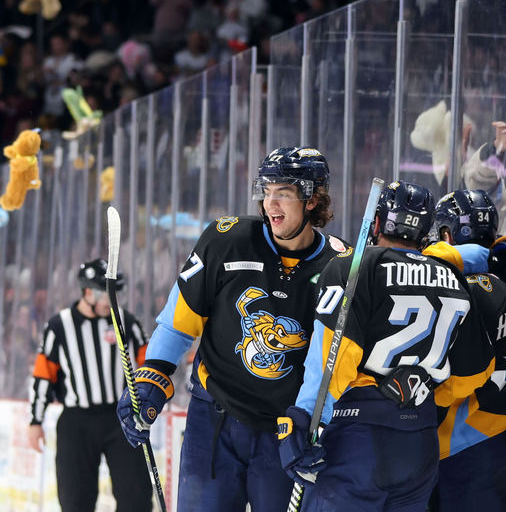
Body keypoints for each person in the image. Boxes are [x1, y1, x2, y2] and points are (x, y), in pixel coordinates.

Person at [118, 147, 349, 512]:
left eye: (284, 193)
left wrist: (317, 423)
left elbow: (333, 362)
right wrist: (153, 376)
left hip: (285, 434)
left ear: (312, 199)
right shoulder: (227, 239)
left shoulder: (339, 266)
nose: (270, 203)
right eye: (266, 191)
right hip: (214, 421)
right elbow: (180, 316)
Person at [282, 181, 494, 512]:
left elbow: (332, 359)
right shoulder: (454, 279)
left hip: (358, 439)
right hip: (420, 441)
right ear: (426, 231)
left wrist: (304, 418)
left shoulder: (354, 267)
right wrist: (421, 396)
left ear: (378, 223)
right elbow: (474, 373)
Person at [431, 189, 506, 512]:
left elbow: (426, 262)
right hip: (501, 436)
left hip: (467, 445)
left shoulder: (463, 292)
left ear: (448, 235)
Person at [27, 259, 152, 512]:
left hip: (121, 419)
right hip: (77, 422)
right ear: (87, 292)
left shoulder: (126, 322)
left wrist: (149, 399)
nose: (111, 300)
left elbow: (147, 365)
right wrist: (35, 420)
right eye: (105, 293)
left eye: (116, 293)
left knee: (136, 497)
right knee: (75, 500)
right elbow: (43, 376)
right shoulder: (59, 326)